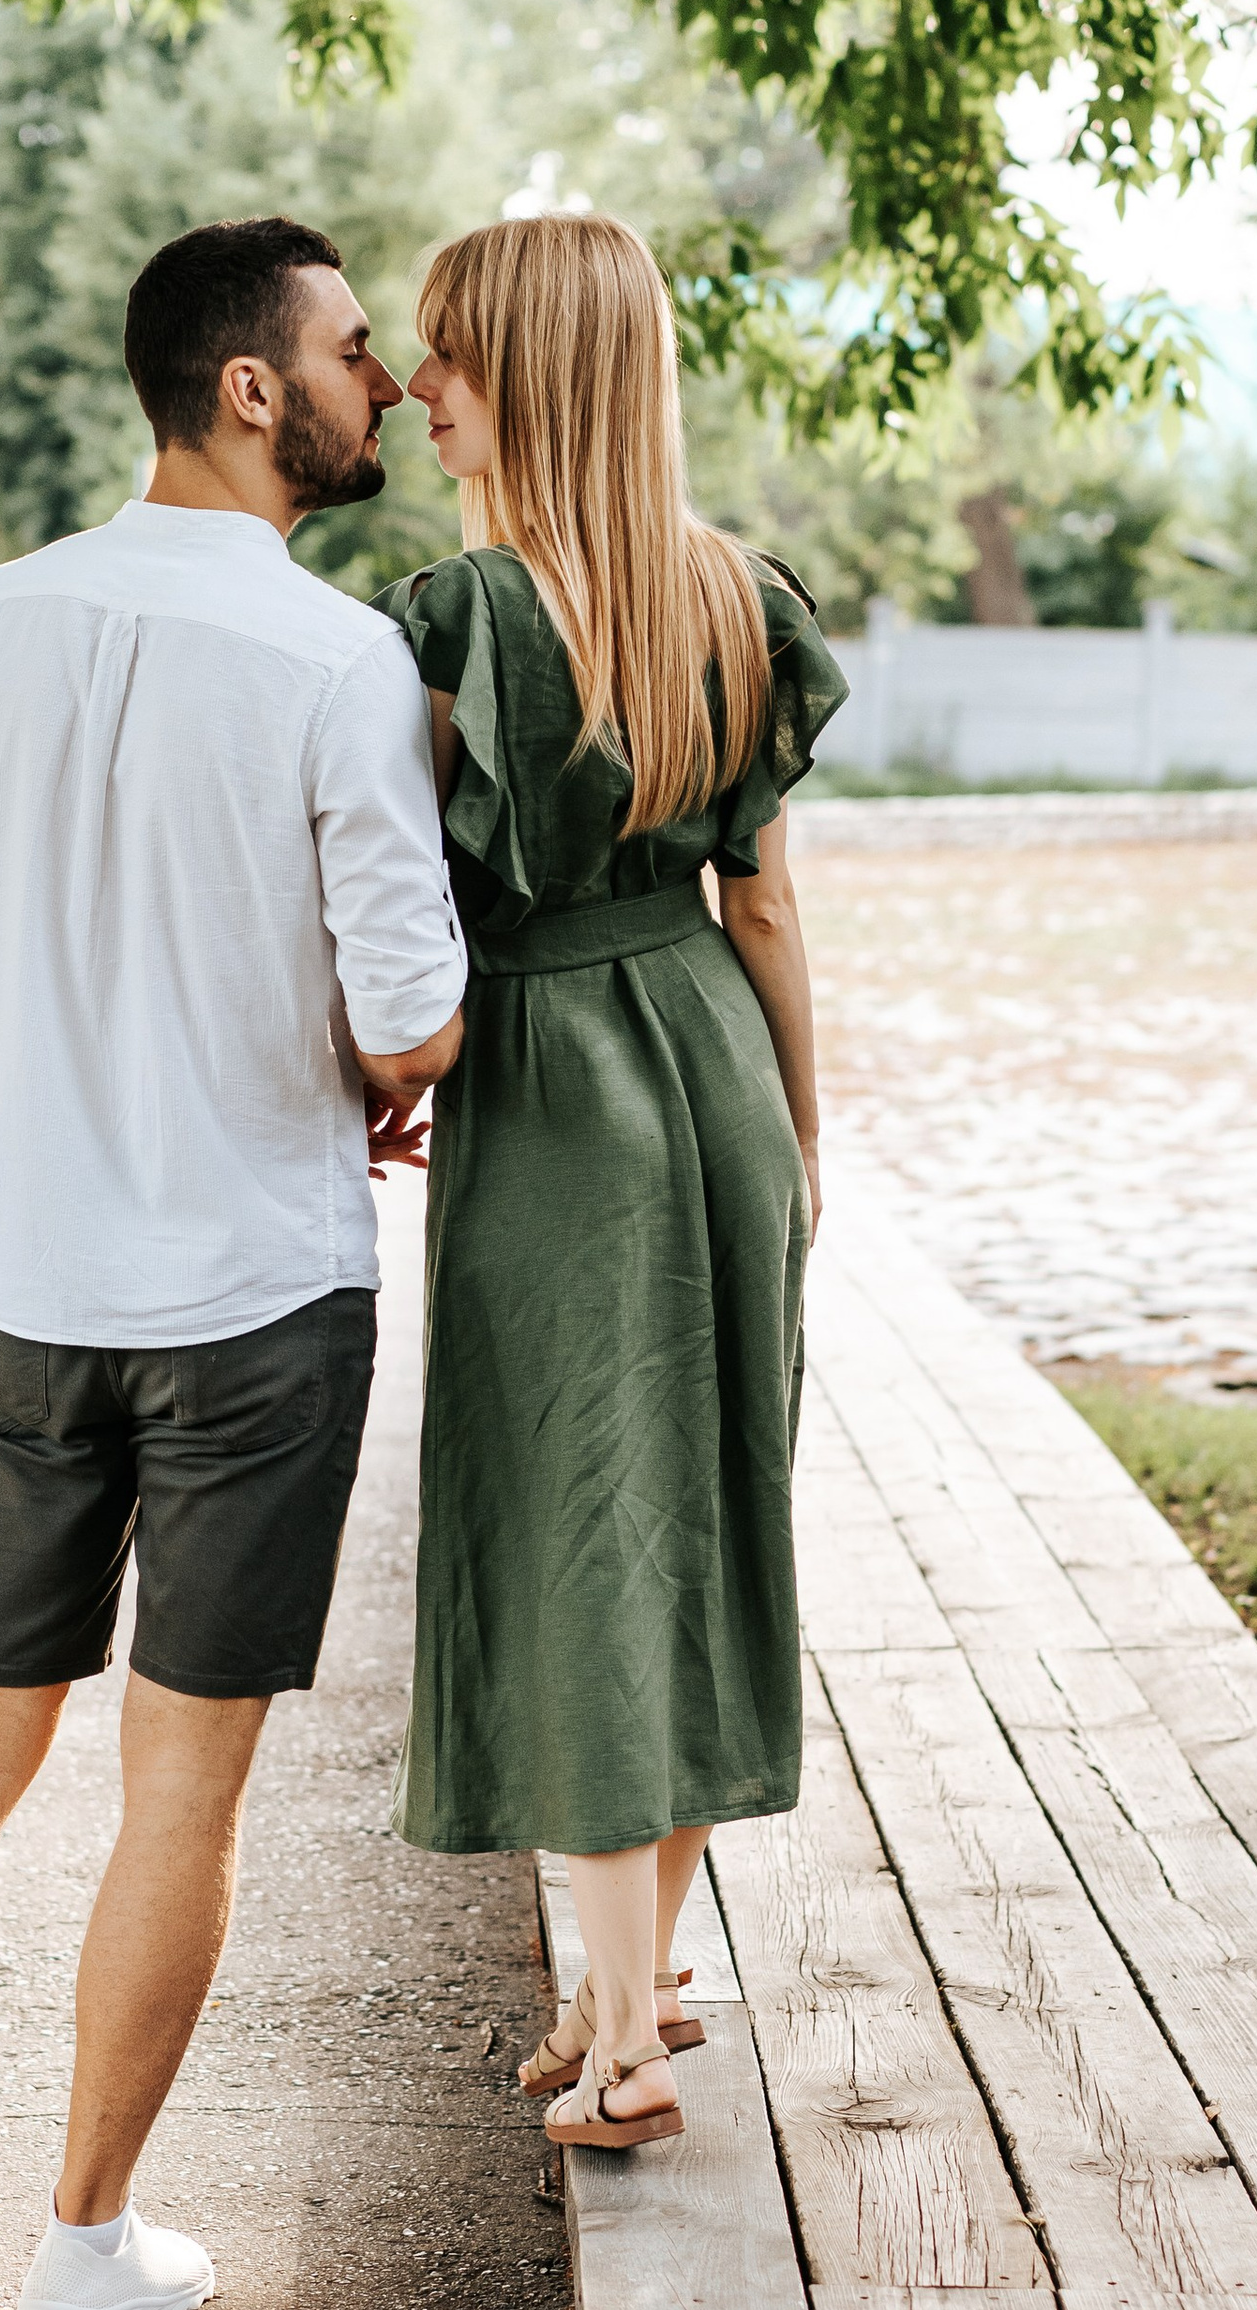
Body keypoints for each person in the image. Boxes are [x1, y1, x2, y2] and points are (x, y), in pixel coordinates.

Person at [0, 217, 466, 2310]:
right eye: (346, 351)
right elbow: (410, 1018)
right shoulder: (338, 662)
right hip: (253, 1299)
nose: (381, 384)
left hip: (32, 1286)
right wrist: (382, 1037)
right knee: (179, 1785)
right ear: (251, 388)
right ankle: (76, 2244)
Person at [376, 213, 845, 2150]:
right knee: (689, 1512)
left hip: (552, 1087)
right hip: (714, 1074)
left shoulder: (453, 619)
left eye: (443, 354)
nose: (414, 388)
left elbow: (396, 912)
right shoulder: (734, 594)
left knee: (572, 1529)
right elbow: (766, 906)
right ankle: (633, 1977)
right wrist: (802, 1144)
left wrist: (373, 1077)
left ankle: (629, 2041)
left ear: (526, 374)